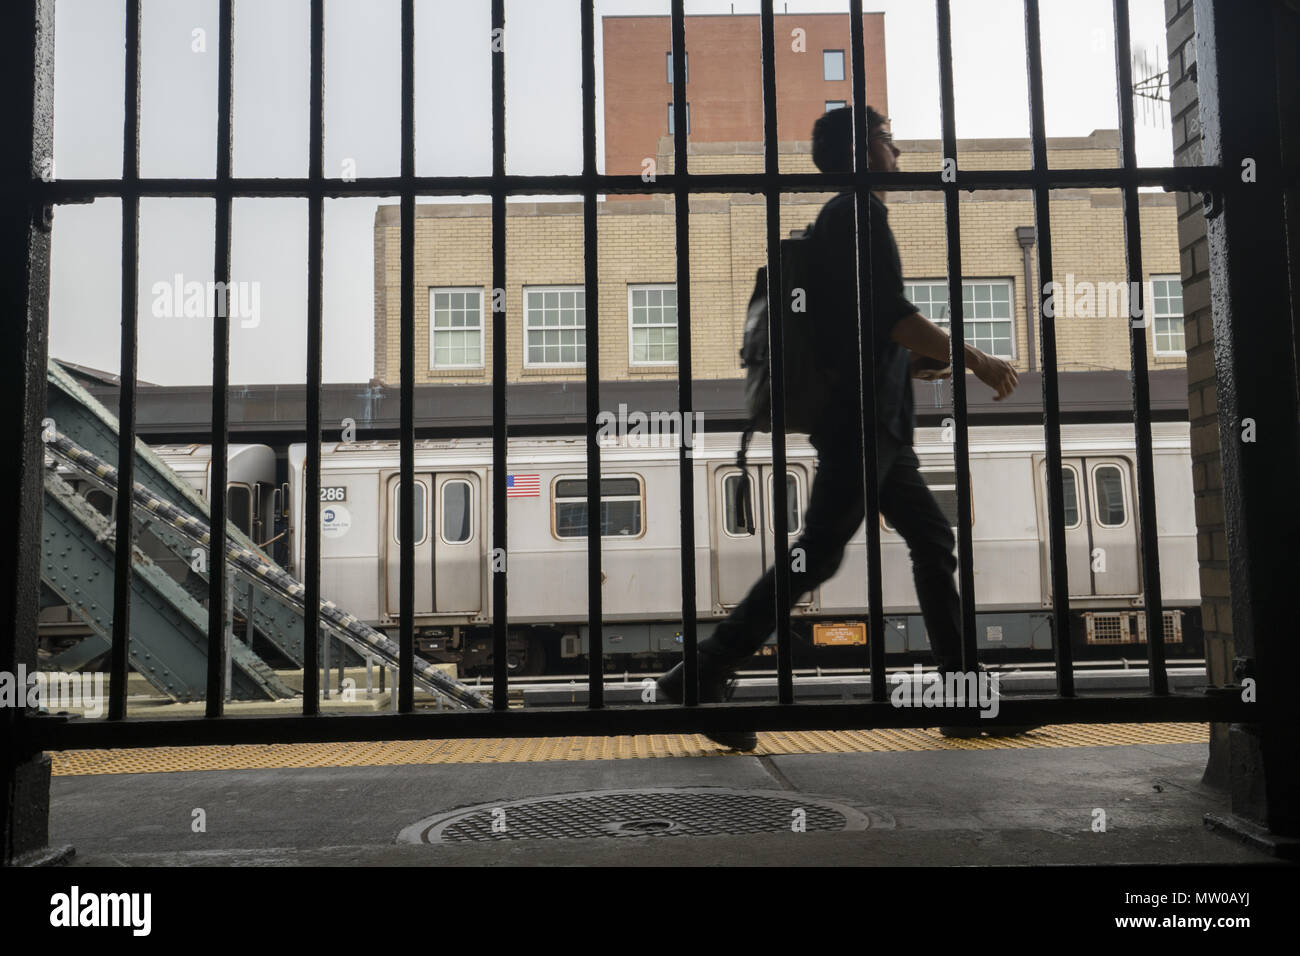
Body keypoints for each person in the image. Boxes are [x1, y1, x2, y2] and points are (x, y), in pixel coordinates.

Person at [655, 105, 1025, 750]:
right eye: (888, 140)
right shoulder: (858, 213)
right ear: (861, 151)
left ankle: (965, 696)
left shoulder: (845, 217)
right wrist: (976, 358)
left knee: (932, 544)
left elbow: (852, 332)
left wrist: (904, 368)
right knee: (819, 554)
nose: (899, 153)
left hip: (877, 425)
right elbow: (889, 313)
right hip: (859, 428)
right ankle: (700, 674)